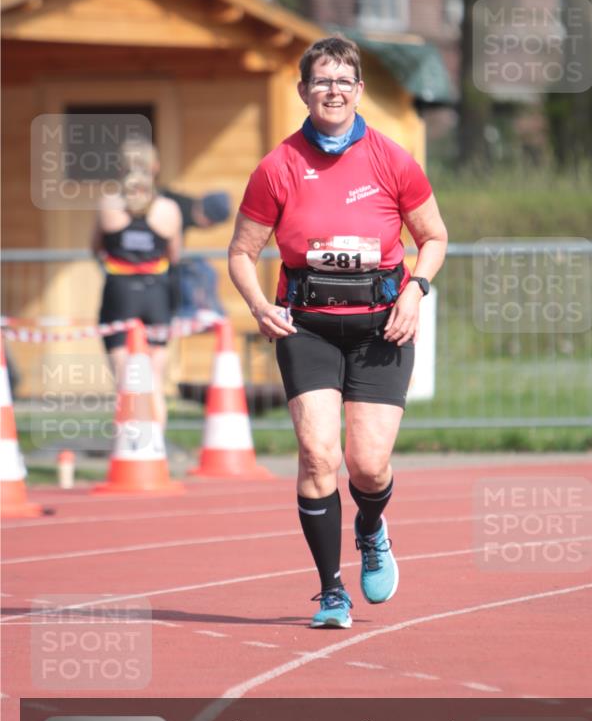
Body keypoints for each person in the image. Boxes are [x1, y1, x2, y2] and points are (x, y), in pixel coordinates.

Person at [228, 36, 448, 629]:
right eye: (321, 81)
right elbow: (243, 253)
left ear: (359, 91)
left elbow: (434, 238)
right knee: (317, 455)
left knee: (367, 465)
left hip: (383, 327)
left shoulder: (392, 158)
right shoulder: (277, 166)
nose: (332, 91)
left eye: (343, 81)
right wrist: (256, 306)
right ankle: (331, 591)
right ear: (303, 91)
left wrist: (415, 290)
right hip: (308, 327)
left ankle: (372, 527)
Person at [91, 169, 182, 428]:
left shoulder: (109, 206)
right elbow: (174, 256)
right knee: (154, 377)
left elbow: (95, 248)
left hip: (120, 291)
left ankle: (126, 447)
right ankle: (156, 449)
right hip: (156, 293)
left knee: (123, 376)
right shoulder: (168, 209)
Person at [119, 139, 230, 315]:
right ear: (155, 166)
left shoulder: (116, 205)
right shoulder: (167, 205)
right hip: (143, 277)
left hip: (131, 278)